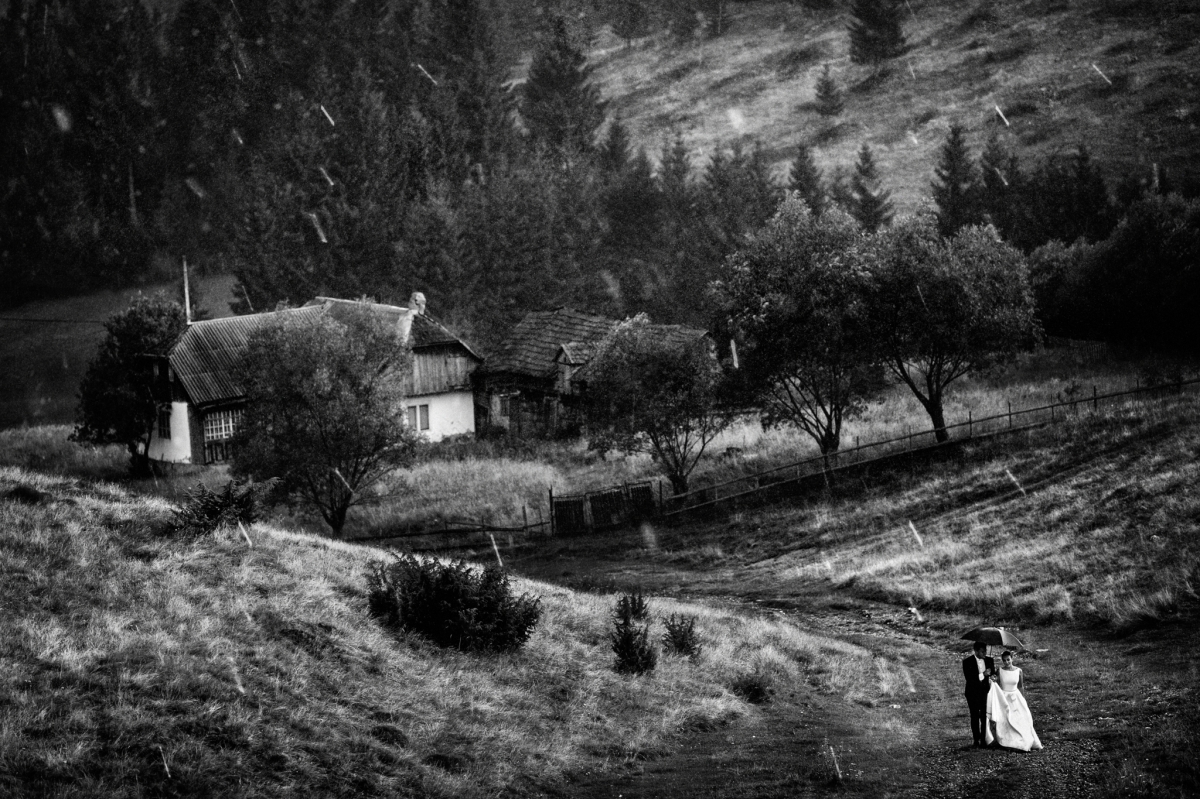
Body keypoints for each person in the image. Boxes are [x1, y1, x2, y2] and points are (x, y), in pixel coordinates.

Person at [985, 650, 1043, 751]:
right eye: (1004, 661)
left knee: (1021, 719)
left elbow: (1021, 686)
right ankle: (1008, 740)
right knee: (1006, 719)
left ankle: (1023, 739)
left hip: (1016, 697)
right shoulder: (1000, 670)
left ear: (1012, 658)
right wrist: (993, 679)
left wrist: (1023, 700)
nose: (1007, 662)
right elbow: (997, 684)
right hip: (1004, 697)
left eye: (1008, 660)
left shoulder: (1019, 671)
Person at [962, 641, 994, 748]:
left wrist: (992, 674)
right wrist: (982, 674)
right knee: (974, 716)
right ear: (975, 651)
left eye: (985, 651)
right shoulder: (967, 662)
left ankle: (984, 739)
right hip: (972, 693)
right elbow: (969, 679)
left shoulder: (989, 660)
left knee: (985, 716)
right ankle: (976, 739)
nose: (984, 653)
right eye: (982, 651)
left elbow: (993, 675)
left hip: (985, 692)